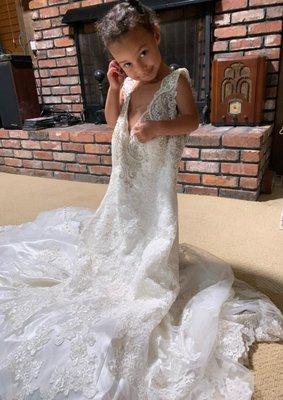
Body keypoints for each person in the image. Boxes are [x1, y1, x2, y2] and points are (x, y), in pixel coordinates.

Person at [0, 1, 282, 399]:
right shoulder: (128, 83)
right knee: (117, 235)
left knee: (152, 246)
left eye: (143, 53)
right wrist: (115, 87)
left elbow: (192, 120)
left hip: (154, 183)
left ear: (156, 35)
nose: (140, 67)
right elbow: (111, 119)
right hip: (125, 179)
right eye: (127, 63)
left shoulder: (176, 80)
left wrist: (158, 126)